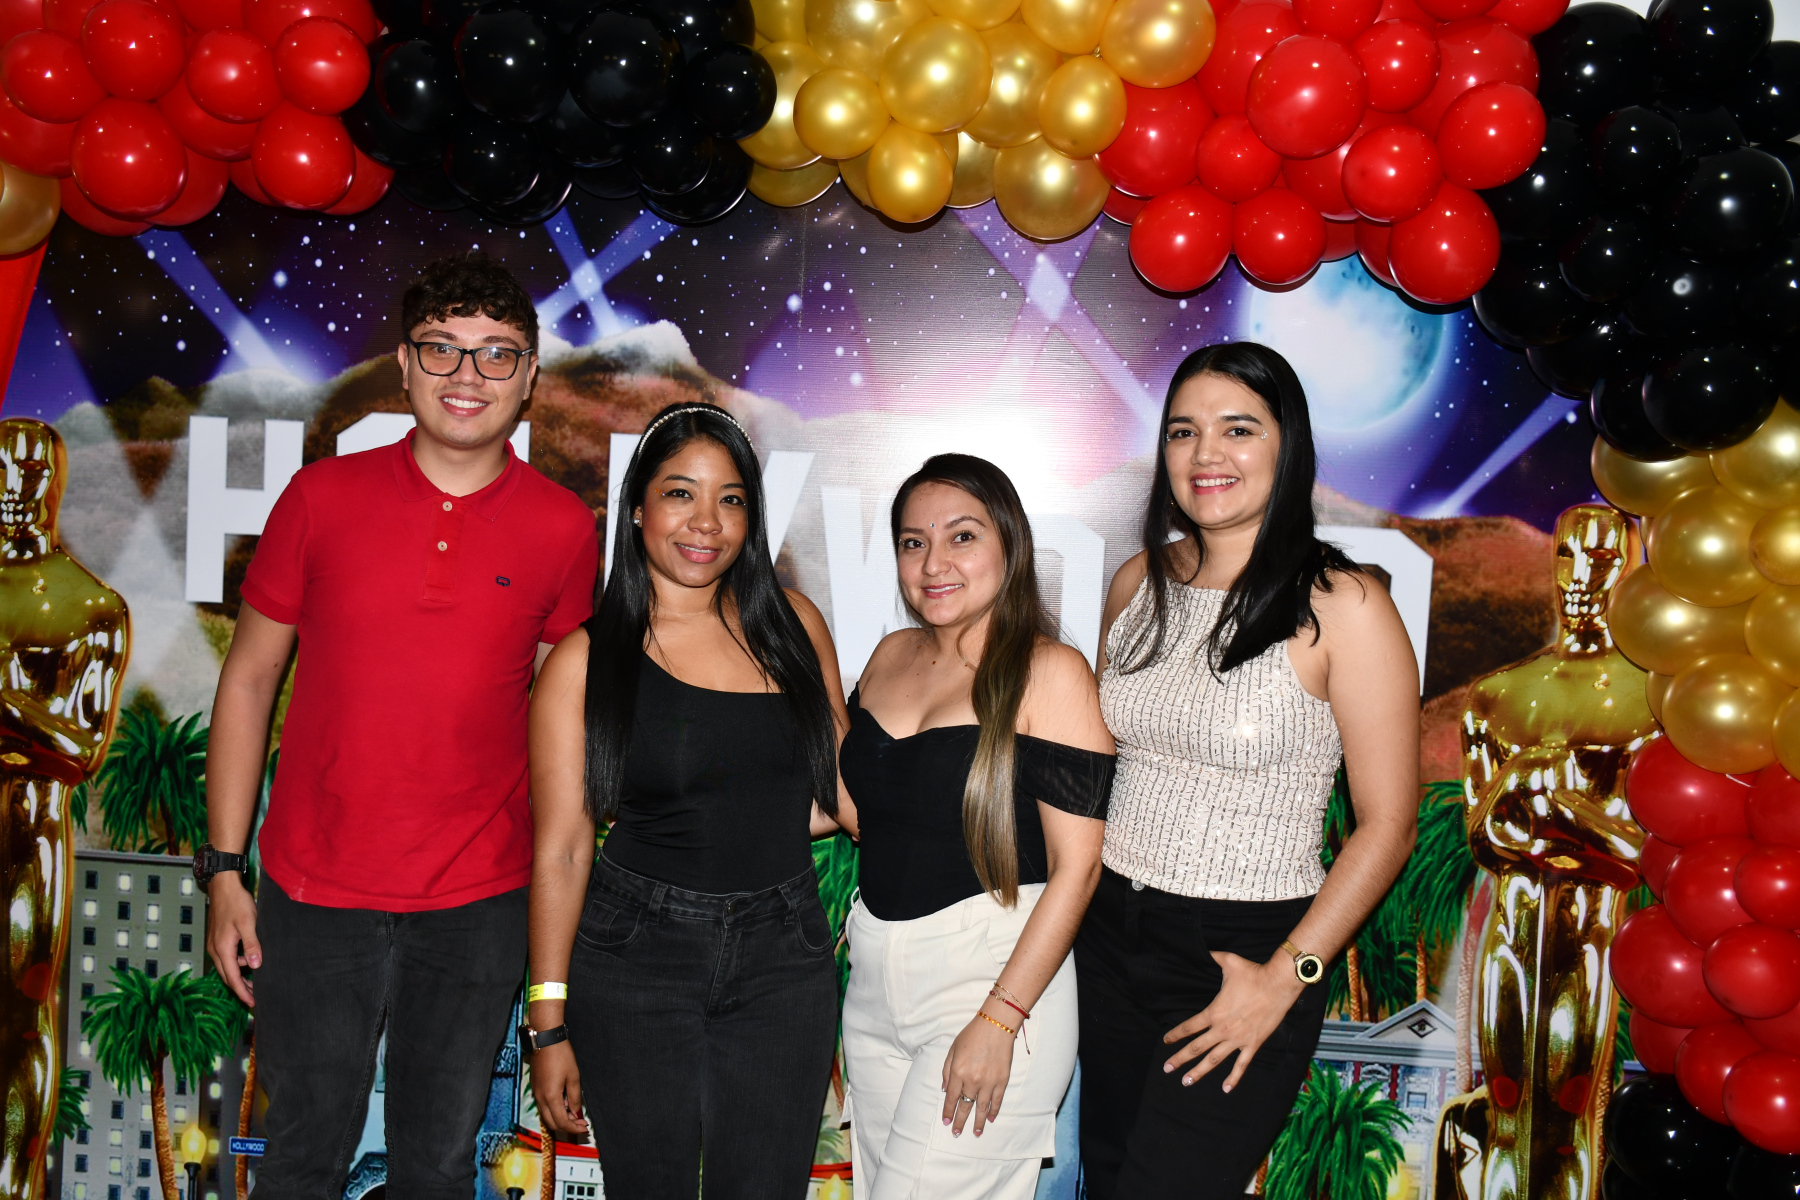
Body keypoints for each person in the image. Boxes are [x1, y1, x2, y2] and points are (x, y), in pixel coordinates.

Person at [201, 253, 599, 1197]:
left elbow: (563, 727)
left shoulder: (563, 529)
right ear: (406, 365)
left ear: (529, 377)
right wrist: (222, 869)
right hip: (313, 889)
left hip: (476, 901)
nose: (469, 375)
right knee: (298, 1160)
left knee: (436, 1167)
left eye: (497, 354)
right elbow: (249, 681)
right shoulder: (320, 497)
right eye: (443, 349)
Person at [1076, 342, 1419, 1199]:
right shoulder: (1136, 582)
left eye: (1238, 429)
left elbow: (1387, 825)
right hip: (1109, 931)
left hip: (1244, 952)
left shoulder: (1346, 604)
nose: (1206, 453)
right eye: (1183, 431)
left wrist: (1285, 979)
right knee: (1108, 1179)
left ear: (1287, 444)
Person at [527, 402, 848, 1200]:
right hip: (636, 959)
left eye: (730, 499)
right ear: (638, 508)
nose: (706, 522)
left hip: (784, 959)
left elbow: (840, 793)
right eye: (680, 493)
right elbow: (563, 850)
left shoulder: (795, 626)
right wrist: (547, 1022)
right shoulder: (584, 662)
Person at [839, 454, 1114, 1200]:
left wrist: (1000, 1020)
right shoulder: (891, 655)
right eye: (913, 542)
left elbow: (1079, 869)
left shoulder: (1051, 672)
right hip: (873, 980)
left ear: (1010, 544)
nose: (934, 563)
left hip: (993, 976)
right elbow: (859, 810)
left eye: (962, 536)